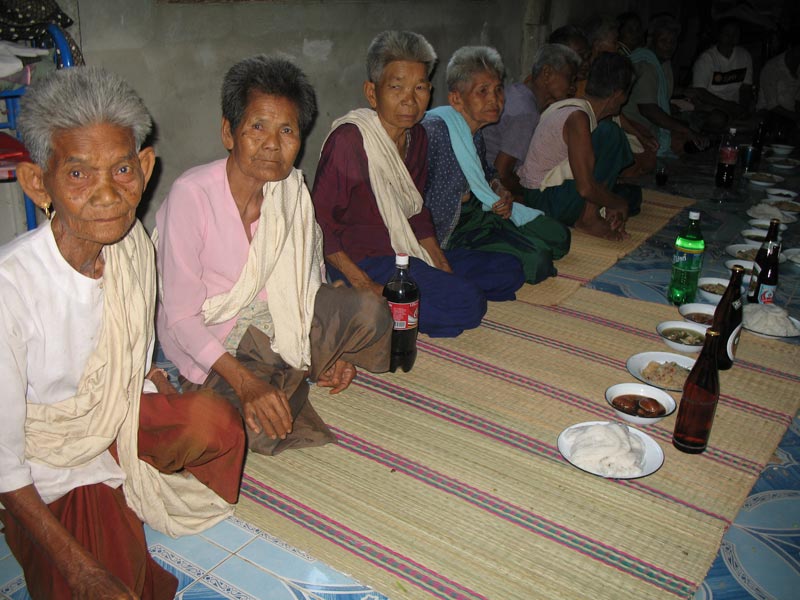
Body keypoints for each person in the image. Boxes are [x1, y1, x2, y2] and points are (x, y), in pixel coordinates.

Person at [0, 67, 246, 598]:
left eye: (122, 169)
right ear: (38, 183)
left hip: (116, 418)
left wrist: (149, 385)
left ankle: (130, 493)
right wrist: (80, 567)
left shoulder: (133, 246)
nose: (108, 194)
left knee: (219, 425)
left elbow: (130, 356)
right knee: (109, 582)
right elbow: (3, 460)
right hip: (47, 461)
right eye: (79, 175)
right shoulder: (10, 289)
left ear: (146, 167)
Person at [156, 55, 393, 457]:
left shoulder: (292, 192)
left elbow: (309, 280)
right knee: (239, 432)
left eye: (287, 130)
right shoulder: (191, 196)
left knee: (372, 313)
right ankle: (282, 380)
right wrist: (247, 384)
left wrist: (331, 349)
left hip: (283, 325)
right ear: (229, 133)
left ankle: (294, 374)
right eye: (257, 127)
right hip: (221, 339)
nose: (272, 143)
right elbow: (180, 319)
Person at [312, 30, 524, 338]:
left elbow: (416, 209)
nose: (410, 100)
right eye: (397, 87)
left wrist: (439, 262)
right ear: (372, 93)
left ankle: (420, 296)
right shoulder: (350, 141)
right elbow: (320, 225)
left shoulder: (417, 137)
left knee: (509, 270)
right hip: (362, 261)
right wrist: (365, 284)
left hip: (406, 251)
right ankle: (362, 303)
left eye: (420, 87)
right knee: (468, 304)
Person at [422, 45, 571, 285]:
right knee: (537, 262)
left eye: (498, 90)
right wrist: (462, 196)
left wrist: (499, 189)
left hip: (481, 213)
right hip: (453, 228)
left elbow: (488, 172)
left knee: (559, 236)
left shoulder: (475, 132)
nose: (495, 100)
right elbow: (414, 197)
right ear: (456, 98)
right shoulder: (435, 131)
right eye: (483, 91)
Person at [519, 52, 639, 241]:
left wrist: (615, 202)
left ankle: (591, 213)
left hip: (552, 196)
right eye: (627, 94)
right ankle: (588, 218)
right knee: (611, 133)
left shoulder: (579, 110)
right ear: (617, 95)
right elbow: (585, 188)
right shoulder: (577, 117)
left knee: (633, 197)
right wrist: (618, 204)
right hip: (545, 200)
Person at [483, 43, 581, 195]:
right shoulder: (526, 113)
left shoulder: (518, 91)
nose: (573, 87)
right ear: (547, 73)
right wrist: (530, 196)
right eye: (569, 78)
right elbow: (501, 174)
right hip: (487, 184)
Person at [622, 14, 709, 156]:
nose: (668, 46)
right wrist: (685, 130)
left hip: (650, 123)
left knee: (692, 132)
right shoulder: (646, 65)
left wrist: (684, 91)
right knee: (685, 141)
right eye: (663, 41)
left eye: (672, 42)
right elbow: (648, 109)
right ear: (651, 41)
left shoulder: (664, 63)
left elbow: (660, 90)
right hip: (635, 124)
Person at [690, 18, 753, 121]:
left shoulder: (745, 56)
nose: (731, 37)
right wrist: (727, 106)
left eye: (735, 33)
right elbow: (700, 91)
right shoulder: (707, 58)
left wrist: (743, 108)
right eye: (727, 33)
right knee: (718, 118)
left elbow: (746, 87)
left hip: (734, 106)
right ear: (719, 35)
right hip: (711, 106)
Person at [757, 36, 800, 126]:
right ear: (790, 47)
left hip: (790, 115)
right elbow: (772, 105)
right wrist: (796, 117)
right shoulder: (772, 67)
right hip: (769, 113)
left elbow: (797, 99)